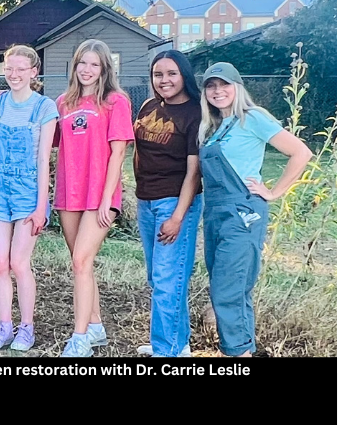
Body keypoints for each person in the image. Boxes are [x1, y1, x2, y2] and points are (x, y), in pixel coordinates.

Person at [196, 62, 313, 357]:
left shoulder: (253, 118)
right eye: (211, 85)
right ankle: (244, 352)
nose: (218, 91)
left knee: (227, 290)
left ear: (237, 88)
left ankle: (234, 355)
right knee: (234, 289)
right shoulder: (212, 127)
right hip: (215, 213)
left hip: (243, 213)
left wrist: (274, 192)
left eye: (224, 85)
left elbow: (301, 152)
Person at [53, 39, 134, 357]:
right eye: (81, 63)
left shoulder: (116, 102)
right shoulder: (63, 102)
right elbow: (52, 143)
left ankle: (80, 337)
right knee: (81, 265)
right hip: (68, 193)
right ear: (74, 66)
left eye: (94, 64)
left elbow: (118, 153)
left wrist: (105, 200)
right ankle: (96, 326)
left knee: (81, 261)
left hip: (100, 195)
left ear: (104, 69)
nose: (87, 70)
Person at [0, 45, 58, 352]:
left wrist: (40, 205)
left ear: (34, 72)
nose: (14, 74)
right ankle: (5, 325)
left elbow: (43, 159)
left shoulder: (44, 108)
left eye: (21, 69)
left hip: (27, 193)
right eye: (9, 68)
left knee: (19, 263)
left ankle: (27, 327)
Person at [131, 50, 203, 357]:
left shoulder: (196, 112)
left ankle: (166, 351)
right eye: (158, 74)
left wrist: (177, 216)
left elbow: (194, 172)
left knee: (167, 280)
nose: (165, 80)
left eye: (171, 73)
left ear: (184, 75)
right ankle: (177, 343)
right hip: (146, 202)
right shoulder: (148, 106)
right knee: (161, 279)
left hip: (175, 203)